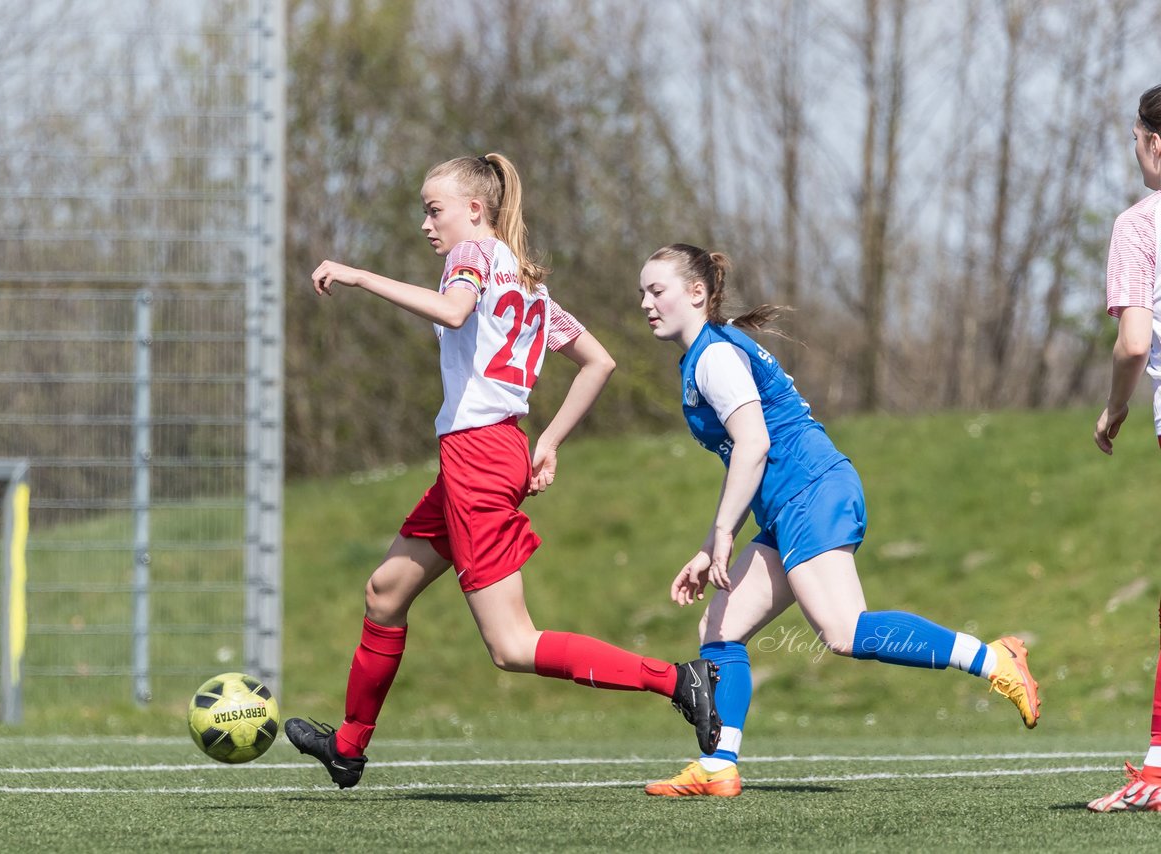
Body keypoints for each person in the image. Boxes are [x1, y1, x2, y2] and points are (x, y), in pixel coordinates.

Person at [285, 154, 720, 789]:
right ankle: (348, 746)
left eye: (434, 211)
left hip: (480, 461)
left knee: (513, 645)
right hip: (489, 454)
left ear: (475, 211)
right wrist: (547, 442)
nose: (426, 225)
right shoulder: (529, 285)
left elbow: (454, 312)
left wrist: (357, 275)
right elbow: (598, 361)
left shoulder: (470, 259)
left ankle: (678, 681)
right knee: (385, 593)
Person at [636, 243, 1041, 798]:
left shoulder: (714, 356)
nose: (645, 303)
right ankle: (717, 766)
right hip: (789, 504)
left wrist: (727, 533)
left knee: (845, 631)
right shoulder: (708, 353)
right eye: (642, 292)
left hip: (812, 491)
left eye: (656, 290)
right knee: (719, 630)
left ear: (697, 293)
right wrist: (711, 546)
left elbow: (753, 445)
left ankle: (993, 658)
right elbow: (745, 462)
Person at [1087, 84, 1161, 814]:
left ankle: (1160, 769)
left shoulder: (1140, 226)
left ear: (1155, 143)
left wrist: (1114, 411)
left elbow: (1134, 341)